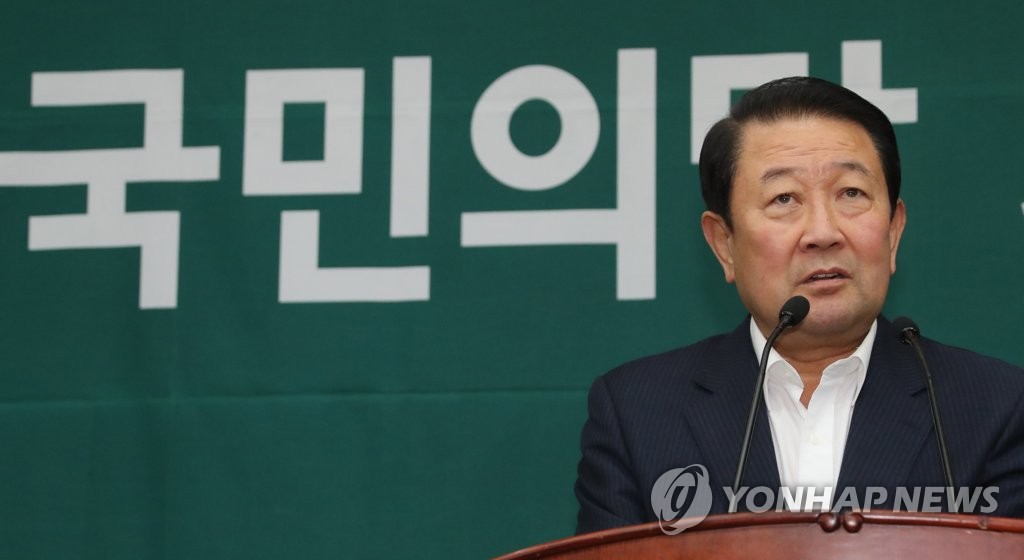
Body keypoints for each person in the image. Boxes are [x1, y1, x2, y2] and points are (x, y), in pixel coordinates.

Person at [574, 76, 1024, 534]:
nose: (823, 232)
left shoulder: (997, 408)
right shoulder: (637, 413)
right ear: (724, 244)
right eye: (784, 198)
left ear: (893, 232)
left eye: (851, 193)